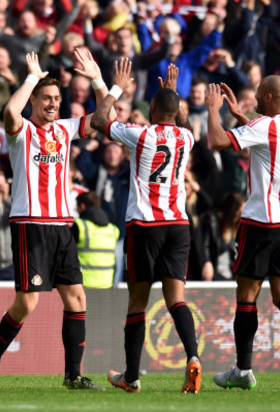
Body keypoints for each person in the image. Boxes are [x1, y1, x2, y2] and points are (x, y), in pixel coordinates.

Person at [0, 50, 112, 392]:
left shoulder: (65, 129)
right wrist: (32, 77)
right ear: (33, 99)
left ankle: (73, 376)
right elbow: (8, 111)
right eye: (46, 98)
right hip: (30, 225)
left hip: (62, 226)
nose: (52, 104)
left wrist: (97, 80)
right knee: (27, 303)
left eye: (57, 99)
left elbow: (104, 118)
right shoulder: (21, 133)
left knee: (77, 299)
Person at [90, 62, 201, 393]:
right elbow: (176, 116)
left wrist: (117, 89)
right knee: (176, 299)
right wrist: (173, 94)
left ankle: (132, 377)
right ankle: (193, 357)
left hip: (145, 224)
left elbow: (98, 121)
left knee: (138, 302)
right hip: (178, 224)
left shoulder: (141, 134)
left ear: (151, 109)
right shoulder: (187, 136)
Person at [205, 78, 280, 393]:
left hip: (263, 221)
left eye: (257, 95)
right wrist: (240, 118)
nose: (253, 98)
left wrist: (213, 111)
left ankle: (243, 371)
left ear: (268, 97)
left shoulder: (264, 127)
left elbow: (216, 141)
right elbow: (267, 139)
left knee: (247, 296)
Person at [71, 191, 119, 289]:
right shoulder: (113, 229)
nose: (75, 209)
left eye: (77, 206)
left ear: (83, 206)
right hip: (107, 284)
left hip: (83, 284)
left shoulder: (80, 226)